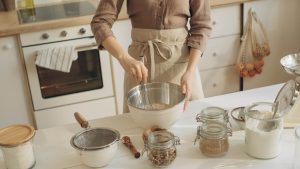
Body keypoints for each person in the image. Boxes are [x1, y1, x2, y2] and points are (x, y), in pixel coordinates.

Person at [91, 0, 212, 113]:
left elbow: (201, 27)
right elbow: (100, 23)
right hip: (139, 68)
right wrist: (123, 58)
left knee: (190, 126)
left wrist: (190, 72)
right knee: (139, 130)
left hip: (183, 70)